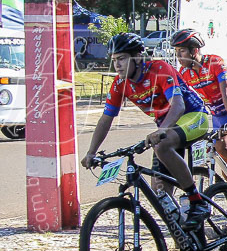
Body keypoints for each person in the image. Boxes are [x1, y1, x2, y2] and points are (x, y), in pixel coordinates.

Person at [81, 33, 212, 231]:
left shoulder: (159, 69)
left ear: (138, 57)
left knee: (161, 144)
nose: (117, 65)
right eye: (114, 60)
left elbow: (178, 106)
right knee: (159, 191)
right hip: (167, 128)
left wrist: (161, 131)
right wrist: (91, 152)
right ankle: (185, 240)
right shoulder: (119, 84)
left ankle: (197, 201)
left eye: (122, 58)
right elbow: (105, 119)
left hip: (194, 117)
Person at [170, 28, 227, 196]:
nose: (178, 56)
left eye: (182, 51)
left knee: (223, 147)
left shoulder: (214, 62)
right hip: (217, 117)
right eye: (176, 51)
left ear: (194, 50)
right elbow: (184, 104)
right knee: (226, 170)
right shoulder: (184, 73)